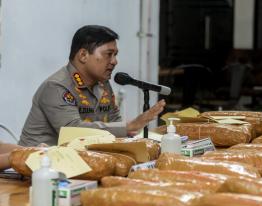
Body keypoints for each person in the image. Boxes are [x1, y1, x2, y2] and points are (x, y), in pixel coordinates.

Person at [19, 25, 165, 146]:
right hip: (37, 165)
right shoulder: (56, 87)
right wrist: (127, 127)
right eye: (109, 54)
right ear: (83, 55)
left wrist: (130, 135)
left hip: (81, 159)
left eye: (115, 54)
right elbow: (73, 131)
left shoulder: (102, 83)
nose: (115, 61)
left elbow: (114, 120)